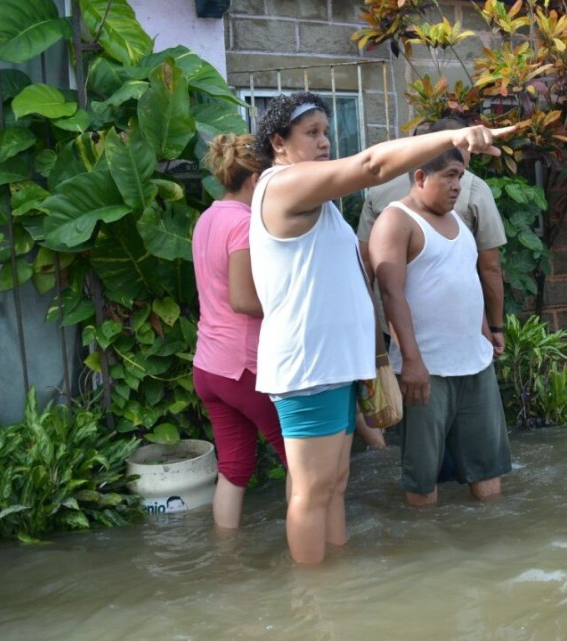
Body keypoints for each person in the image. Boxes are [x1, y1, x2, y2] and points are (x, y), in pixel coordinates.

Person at [249, 92, 512, 564]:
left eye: (327, 132)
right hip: (308, 367)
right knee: (311, 492)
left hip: (332, 365)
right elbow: (371, 165)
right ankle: (311, 604)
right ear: (278, 143)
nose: (325, 142)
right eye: (312, 134)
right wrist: (453, 135)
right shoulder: (283, 186)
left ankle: (336, 587)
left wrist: (371, 360)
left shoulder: (318, 202)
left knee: (333, 486)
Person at [368, 147, 512, 507]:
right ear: (420, 177)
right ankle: (426, 546)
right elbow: (390, 293)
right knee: (423, 475)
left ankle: (496, 547)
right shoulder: (395, 220)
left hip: (474, 364)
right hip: (427, 371)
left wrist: (485, 331)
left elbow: (467, 281)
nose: (457, 186)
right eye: (449, 175)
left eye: (460, 177)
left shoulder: (459, 223)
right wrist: (412, 361)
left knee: (488, 468)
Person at [192, 133, 289, 530]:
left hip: (209, 366)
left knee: (234, 466)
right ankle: (310, 551)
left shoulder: (208, 217)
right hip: (244, 366)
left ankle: (226, 559)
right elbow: (244, 300)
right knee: (298, 458)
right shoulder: (245, 224)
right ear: (255, 180)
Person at [357, 116, 508, 356]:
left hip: (391, 331)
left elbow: (365, 263)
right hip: (451, 335)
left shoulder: (381, 187)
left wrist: (367, 328)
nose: (457, 183)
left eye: (461, 174)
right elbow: (489, 267)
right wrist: (495, 326)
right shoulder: (474, 188)